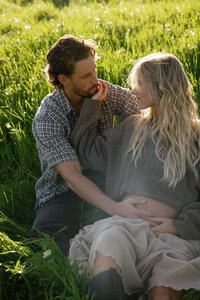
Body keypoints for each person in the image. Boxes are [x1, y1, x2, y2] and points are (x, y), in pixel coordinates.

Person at [69, 52, 200, 299]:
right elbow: (88, 154)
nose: (133, 91)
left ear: (161, 86)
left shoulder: (195, 136)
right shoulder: (132, 128)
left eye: (140, 84)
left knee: (163, 289)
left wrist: (179, 225)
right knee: (108, 243)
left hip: (171, 237)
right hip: (126, 225)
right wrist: (93, 105)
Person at [30, 34, 157, 255]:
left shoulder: (104, 92)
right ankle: (78, 276)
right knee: (43, 235)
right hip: (63, 190)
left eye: (94, 71)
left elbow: (147, 115)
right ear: (64, 79)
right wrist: (114, 207)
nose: (95, 80)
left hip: (110, 178)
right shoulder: (48, 116)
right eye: (86, 75)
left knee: (145, 215)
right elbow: (73, 176)